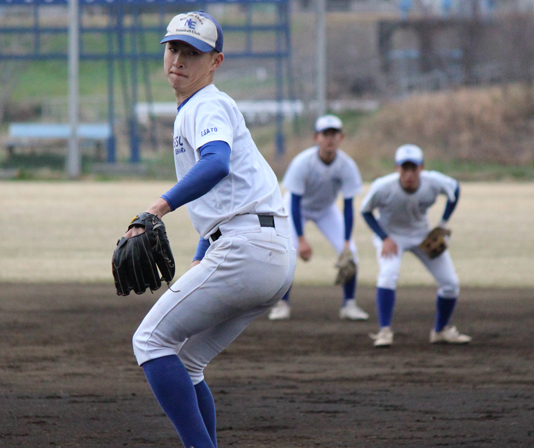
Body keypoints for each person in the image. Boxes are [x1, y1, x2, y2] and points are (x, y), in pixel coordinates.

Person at [128, 11, 296, 448]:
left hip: (248, 249)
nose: (179, 59)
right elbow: (232, 188)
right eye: (173, 48)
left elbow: (217, 164)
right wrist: (203, 250)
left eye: (192, 52)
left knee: (150, 341)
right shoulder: (199, 108)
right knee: (187, 362)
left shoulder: (207, 104)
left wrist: (158, 207)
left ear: (215, 61)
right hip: (266, 251)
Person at [360, 144, 472, 348]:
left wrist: (443, 224)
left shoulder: (433, 181)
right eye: (405, 168)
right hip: (391, 236)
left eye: (414, 168)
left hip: (422, 235)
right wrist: (384, 237)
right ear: (397, 168)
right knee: (388, 275)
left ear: (422, 167)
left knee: (450, 284)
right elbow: (366, 212)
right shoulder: (383, 186)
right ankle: (384, 332)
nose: (409, 173)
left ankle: (440, 331)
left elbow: (455, 189)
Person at [268, 114, 369, 321]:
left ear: (342, 138)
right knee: (288, 252)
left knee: (351, 255)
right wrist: (302, 239)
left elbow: (349, 206)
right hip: (297, 208)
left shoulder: (347, 166)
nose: (330, 139)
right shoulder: (303, 162)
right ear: (316, 138)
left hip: (325, 210)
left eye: (334, 134)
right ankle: (282, 304)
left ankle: (349, 305)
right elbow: (294, 202)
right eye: (326, 134)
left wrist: (347, 242)